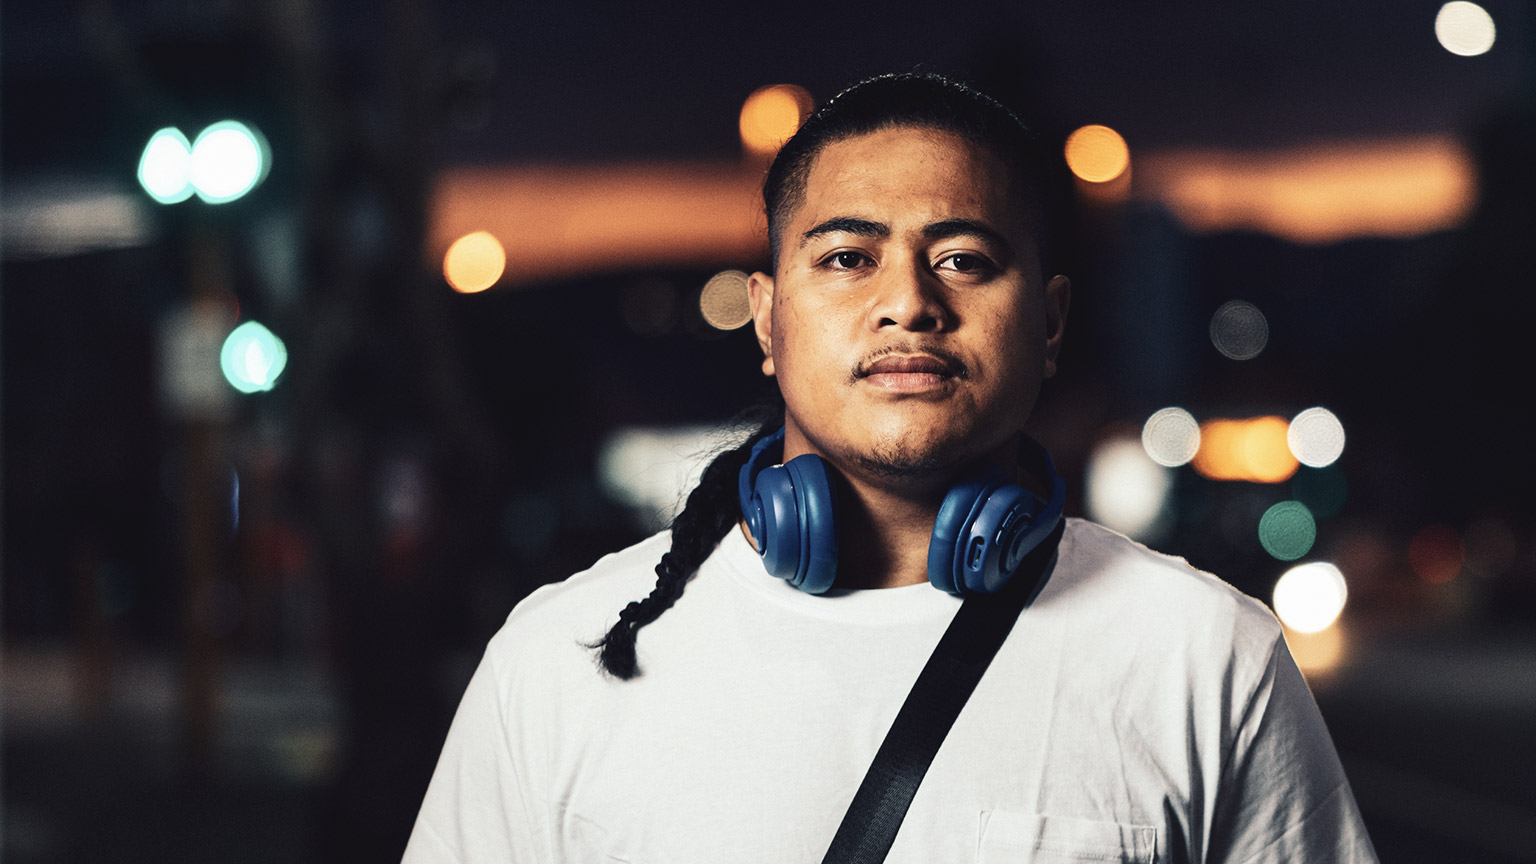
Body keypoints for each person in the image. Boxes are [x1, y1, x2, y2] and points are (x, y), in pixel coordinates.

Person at [403, 73, 1378, 863]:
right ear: (768, 320)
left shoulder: (1207, 659)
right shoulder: (559, 657)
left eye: (962, 259)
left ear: (1047, 323)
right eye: (844, 259)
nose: (908, 302)